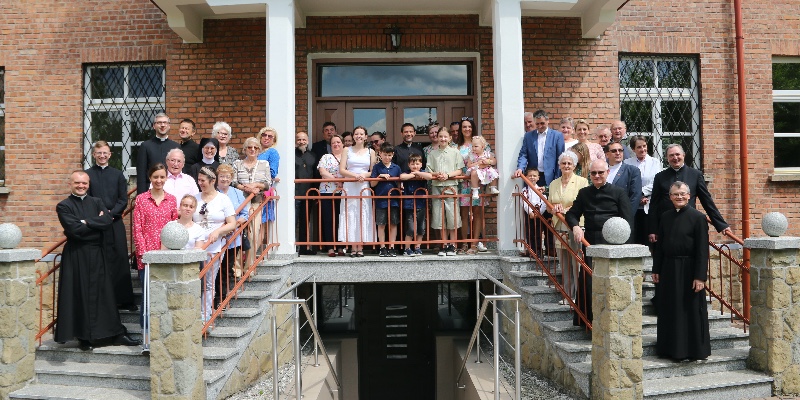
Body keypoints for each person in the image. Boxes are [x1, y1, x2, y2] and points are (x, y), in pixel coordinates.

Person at [55, 171, 139, 350]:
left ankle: (115, 334)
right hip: (76, 255)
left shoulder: (97, 201)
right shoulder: (64, 206)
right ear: (70, 184)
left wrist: (85, 222)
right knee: (80, 294)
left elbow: (108, 222)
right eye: (77, 183)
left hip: (98, 253)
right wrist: (94, 222)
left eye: (84, 183)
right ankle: (84, 337)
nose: (81, 186)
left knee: (104, 294)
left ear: (88, 184)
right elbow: (74, 230)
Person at [565, 159, 633, 326]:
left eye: (600, 172)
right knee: (589, 281)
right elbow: (571, 214)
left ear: (607, 173)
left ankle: (609, 322)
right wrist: (575, 227)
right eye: (593, 173)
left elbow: (628, 220)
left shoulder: (619, 192)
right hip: (590, 242)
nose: (597, 176)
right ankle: (587, 321)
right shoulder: (584, 193)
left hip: (612, 243)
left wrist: (625, 247)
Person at [652, 181, 711, 361]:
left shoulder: (698, 218)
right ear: (670, 197)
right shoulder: (665, 216)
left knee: (689, 310)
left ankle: (692, 351)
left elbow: (702, 249)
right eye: (675, 194)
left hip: (689, 270)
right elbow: (660, 246)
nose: (679, 197)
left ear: (689, 196)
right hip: (668, 269)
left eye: (682, 194)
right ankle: (669, 349)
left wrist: (700, 276)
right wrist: (656, 269)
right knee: (669, 309)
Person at [85, 141, 135, 311]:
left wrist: (111, 213)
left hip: (115, 222)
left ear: (110, 154)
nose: (102, 156)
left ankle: (124, 300)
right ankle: (102, 300)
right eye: (99, 153)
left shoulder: (118, 174)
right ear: (93, 154)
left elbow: (123, 199)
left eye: (105, 152)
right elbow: (88, 199)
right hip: (97, 225)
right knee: (100, 260)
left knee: (120, 258)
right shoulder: (88, 175)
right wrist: (99, 215)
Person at [648, 144, 732, 244]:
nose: (675, 158)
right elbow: (654, 205)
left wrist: (721, 224)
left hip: (688, 223)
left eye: (677, 154)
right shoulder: (660, 177)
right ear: (667, 158)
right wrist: (653, 230)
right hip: (666, 225)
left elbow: (707, 201)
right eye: (671, 155)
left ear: (683, 155)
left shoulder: (695, 175)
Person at [133, 163, 178, 326]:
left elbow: (174, 227)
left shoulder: (172, 200)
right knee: (148, 297)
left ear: (166, 178)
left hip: (166, 255)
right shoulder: (141, 199)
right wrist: (144, 255)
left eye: (162, 177)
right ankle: (146, 336)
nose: (159, 180)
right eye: (155, 177)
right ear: (150, 178)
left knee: (166, 295)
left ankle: (164, 332)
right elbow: (137, 228)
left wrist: (168, 250)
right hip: (147, 257)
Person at [194, 167, 237, 324]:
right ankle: (194, 311)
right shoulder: (195, 197)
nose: (200, 183)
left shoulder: (223, 199)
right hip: (195, 246)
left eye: (203, 181)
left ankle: (205, 314)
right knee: (194, 279)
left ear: (212, 181)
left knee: (209, 281)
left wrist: (218, 232)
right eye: (199, 180)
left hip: (213, 247)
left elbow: (232, 224)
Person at [548, 152, 589, 303]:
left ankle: (579, 297)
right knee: (564, 262)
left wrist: (565, 210)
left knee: (576, 262)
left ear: (574, 166)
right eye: (563, 163)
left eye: (569, 163)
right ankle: (567, 295)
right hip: (558, 225)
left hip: (575, 225)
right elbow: (549, 204)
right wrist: (553, 209)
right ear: (559, 165)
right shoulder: (553, 183)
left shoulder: (582, 181)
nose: (566, 166)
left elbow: (583, 203)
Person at [338, 126, 377, 257]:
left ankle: (360, 247)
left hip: (363, 185)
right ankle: (352, 247)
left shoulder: (370, 152)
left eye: (361, 134)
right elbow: (342, 169)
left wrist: (363, 176)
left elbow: (373, 171)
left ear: (366, 136)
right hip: (350, 185)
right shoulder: (346, 150)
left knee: (362, 213)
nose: (358, 136)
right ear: (353, 136)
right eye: (356, 134)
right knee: (350, 213)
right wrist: (354, 176)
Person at [231, 137, 272, 260]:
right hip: (240, 204)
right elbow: (233, 182)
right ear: (245, 149)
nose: (252, 150)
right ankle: (237, 268)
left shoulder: (264, 164)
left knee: (253, 235)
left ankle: (249, 267)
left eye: (255, 147)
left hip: (255, 203)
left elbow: (267, 183)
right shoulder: (237, 164)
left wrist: (256, 185)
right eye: (249, 147)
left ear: (259, 150)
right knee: (238, 235)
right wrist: (246, 188)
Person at [215, 164, 249, 307]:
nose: (224, 179)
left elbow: (245, 214)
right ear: (217, 177)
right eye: (222, 176)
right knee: (214, 269)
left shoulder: (237, 193)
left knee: (226, 267)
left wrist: (233, 224)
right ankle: (214, 297)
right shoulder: (213, 192)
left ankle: (222, 298)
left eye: (227, 177)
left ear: (231, 178)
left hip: (233, 238)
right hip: (216, 238)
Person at [457, 117, 491, 253]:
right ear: (461, 129)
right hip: (464, 184)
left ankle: (474, 244)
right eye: (464, 127)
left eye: (469, 126)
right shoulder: (457, 146)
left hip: (478, 183)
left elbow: (491, 159)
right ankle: (464, 243)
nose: (467, 129)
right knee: (463, 214)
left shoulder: (482, 144)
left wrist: (484, 163)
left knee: (478, 213)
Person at [427, 128, 462, 256]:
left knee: (452, 216)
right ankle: (443, 244)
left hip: (451, 186)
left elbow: (459, 170)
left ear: (450, 138)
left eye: (445, 137)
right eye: (440, 136)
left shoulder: (455, 152)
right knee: (439, 216)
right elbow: (429, 171)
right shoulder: (432, 154)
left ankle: (452, 245)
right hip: (437, 187)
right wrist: (437, 174)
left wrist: (447, 175)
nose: (442, 139)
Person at [623, 135, 663, 246]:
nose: (642, 149)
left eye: (644, 146)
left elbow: (657, 182)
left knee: (649, 241)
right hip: (632, 205)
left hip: (649, 205)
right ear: (633, 149)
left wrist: (641, 193)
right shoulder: (627, 163)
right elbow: (626, 183)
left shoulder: (655, 162)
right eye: (639, 147)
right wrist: (636, 197)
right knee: (634, 239)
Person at [514, 110, 565, 187]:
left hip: (551, 177)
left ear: (548, 121)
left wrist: (557, 177)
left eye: (542, 123)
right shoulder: (528, 136)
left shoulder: (557, 136)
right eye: (537, 124)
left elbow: (560, 158)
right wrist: (520, 168)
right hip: (533, 176)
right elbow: (524, 154)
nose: (540, 126)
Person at [371, 143, 402, 257]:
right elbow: (372, 183)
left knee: (393, 223)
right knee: (381, 224)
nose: (387, 157)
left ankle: (392, 246)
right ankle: (383, 247)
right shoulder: (377, 167)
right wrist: (380, 177)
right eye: (385, 155)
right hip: (381, 199)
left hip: (394, 200)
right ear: (380, 154)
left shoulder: (396, 167)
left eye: (389, 155)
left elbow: (399, 184)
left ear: (392, 155)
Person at [136, 113, 179, 194]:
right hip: (151, 191)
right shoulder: (145, 146)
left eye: (165, 122)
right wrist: (141, 196)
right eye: (159, 123)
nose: (162, 125)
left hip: (172, 191)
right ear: (154, 126)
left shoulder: (176, 147)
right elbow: (141, 173)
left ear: (169, 126)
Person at [317, 134, 345, 257]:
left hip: (343, 192)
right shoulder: (326, 157)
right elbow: (322, 171)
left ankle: (340, 246)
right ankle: (330, 247)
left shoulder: (347, 157)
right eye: (333, 142)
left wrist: (343, 182)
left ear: (343, 144)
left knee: (341, 219)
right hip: (327, 192)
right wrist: (336, 180)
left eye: (338, 142)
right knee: (328, 219)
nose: (336, 144)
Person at [400, 153, 432, 256]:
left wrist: (419, 173)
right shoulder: (407, 173)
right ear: (409, 165)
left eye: (417, 164)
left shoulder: (423, 172)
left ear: (421, 164)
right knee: (410, 228)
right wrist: (413, 174)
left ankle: (417, 247)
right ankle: (407, 248)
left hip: (421, 204)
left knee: (421, 228)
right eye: (413, 164)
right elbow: (402, 177)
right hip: (409, 205)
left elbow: (429, 176)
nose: (415, 166)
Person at [605, 142, 642, 215]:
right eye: (614, 151)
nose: (618, 153)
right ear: (607, 154)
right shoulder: (601, 171)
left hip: (622, 216)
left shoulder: (632, 171)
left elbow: (635, 197)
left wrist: (627, 216)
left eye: (620, 150)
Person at [257, 127, 281, 246]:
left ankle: (252, 255)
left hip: (262, 190)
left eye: (270, 136)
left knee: (260, 224)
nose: (266, 138)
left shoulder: (272, 152)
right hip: (250, 190)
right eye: (264, 135)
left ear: (274, 140)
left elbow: (272, 172)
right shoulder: (255, 150)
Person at [295, 131, 317, 255]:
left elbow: (315, 174)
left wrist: (315, 193)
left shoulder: (312, 155)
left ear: (307, 141)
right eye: (299, 139)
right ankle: (292, 249)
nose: (301, 142)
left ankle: (304, 248)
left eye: (304, 140)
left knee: (305, 222)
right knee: (294, 222)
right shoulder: (291, 155)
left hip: (308, 194)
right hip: (295, 194)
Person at [520, 168, 547, 258]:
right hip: (529, 215)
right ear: (526, 177)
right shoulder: (525, 191)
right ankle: (532, 251)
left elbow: (544, 202)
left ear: (538, 178)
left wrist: (539, 213)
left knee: (538, 233)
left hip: (539, 215)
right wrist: (530, 212)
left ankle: (539, 251)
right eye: (530, 176)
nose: (532, 177)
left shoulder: (540, 190)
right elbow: (524, 202)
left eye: (534, 176)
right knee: (530, 233)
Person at [466, 135, 500, 199]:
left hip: (486, 169)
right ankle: (475, 190)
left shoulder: (487, 154)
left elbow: (494, 161)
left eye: (476, 146)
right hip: (477, 169)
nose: (474, 148)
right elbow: (469, 165)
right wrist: (477, 163)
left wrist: (488, 161)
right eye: (472, 146)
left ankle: (493, 187)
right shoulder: (472, 155)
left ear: (482, 147)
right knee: (473, 173)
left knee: (493, 172)